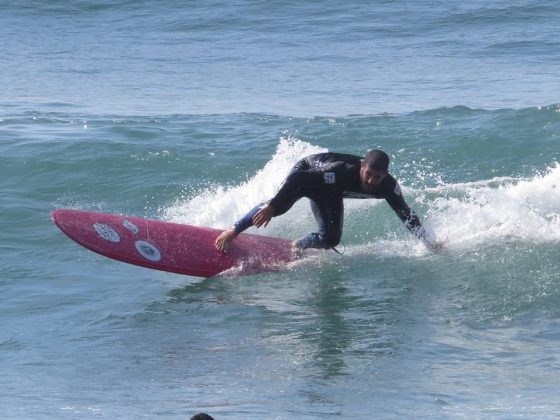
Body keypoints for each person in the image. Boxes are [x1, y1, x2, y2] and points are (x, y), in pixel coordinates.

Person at [215, 149, 439, 253]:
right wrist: (273, 206)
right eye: (368, 173)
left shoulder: (388, 187)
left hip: (331, 191)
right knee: (278, 208)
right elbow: (298, 179)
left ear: (385, 175)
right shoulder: (340, 171)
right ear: (363, 166)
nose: (371, 180)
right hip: (308, 172)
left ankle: (296, 245)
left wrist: (428, 242)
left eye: (377, 177)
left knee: (331, 239)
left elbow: (406, 215)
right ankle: (233, 230)